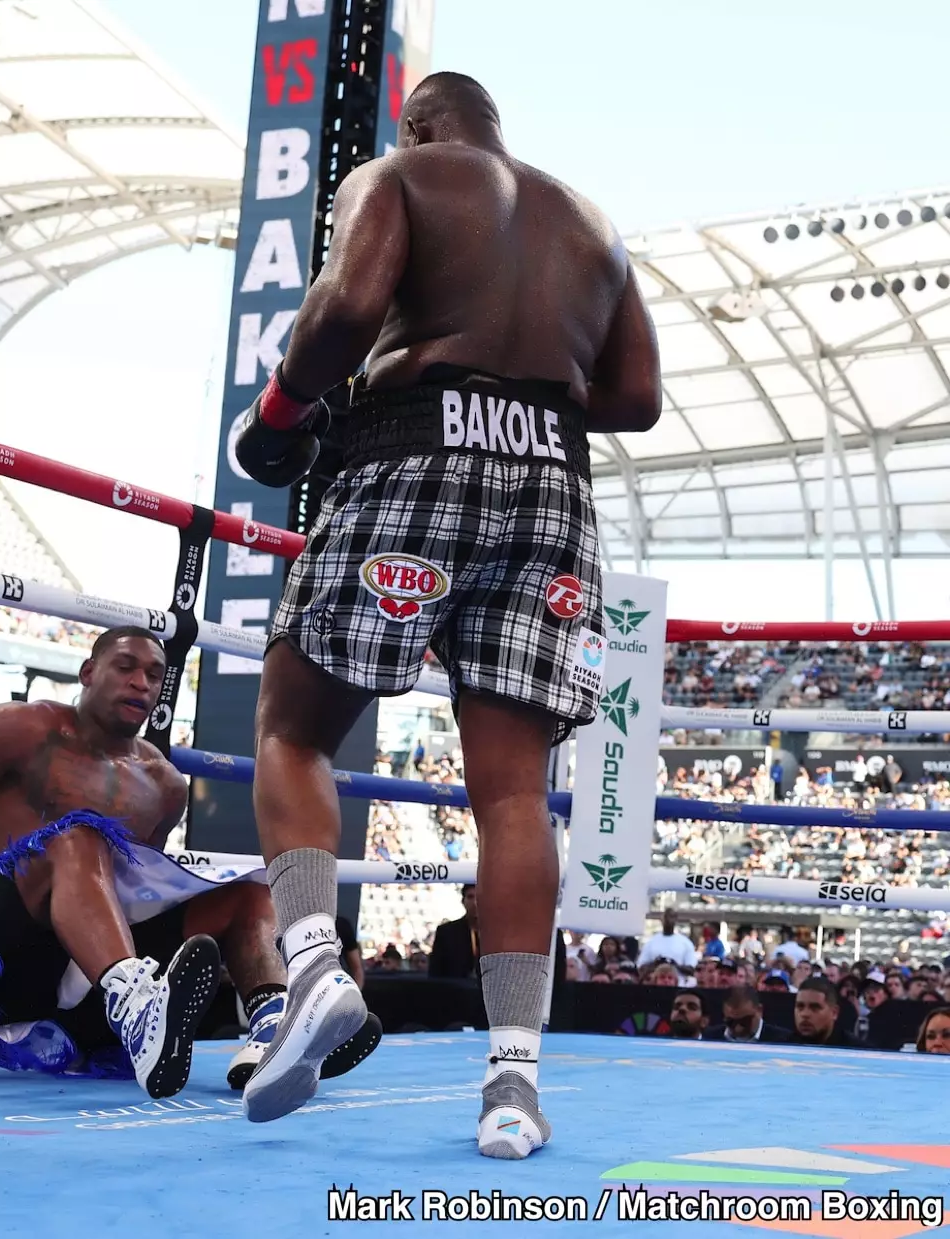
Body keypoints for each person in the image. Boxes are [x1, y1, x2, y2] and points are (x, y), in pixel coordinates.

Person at [233, 69, 661, 1155]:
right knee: (515, 790)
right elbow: (638, 398)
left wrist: (284, 409)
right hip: (554, 487)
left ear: (420, 122)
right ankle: (512, 1085)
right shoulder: (593, 225)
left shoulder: (400, 173)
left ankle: (318, 969)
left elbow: (344, 309)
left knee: (291, 722)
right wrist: (534, 383)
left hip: (418, 448)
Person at [0, 626, 379, 1096]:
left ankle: (272, 1030)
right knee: (78, 836)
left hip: (79, 975)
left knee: (247, 893)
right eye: (125, 667)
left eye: (153, 674)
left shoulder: (164, 783)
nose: (141, 683)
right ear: (87, 671)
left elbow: (133, 890)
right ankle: (137, 1004)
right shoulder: (21, 730)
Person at [791, 978, 865, 1048]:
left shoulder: (858, 1052)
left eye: (815, 1008)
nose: (805, 1014)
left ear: (834, 1012)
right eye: (800, 1006)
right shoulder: (783, 1046)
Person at [702, 987, 791, 1043]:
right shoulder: (710, 1038)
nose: (738, 1028)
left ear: (759, 1010)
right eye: (731, 1022)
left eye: (745, 1021)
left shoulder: (782, 1040)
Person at [428, 885, 480, 979]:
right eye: (470, 897)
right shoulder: (446, 932)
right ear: (463, 901)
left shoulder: (498, 933)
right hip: (455, 990)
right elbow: (435, 972)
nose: (475, 902)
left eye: (479, 897)